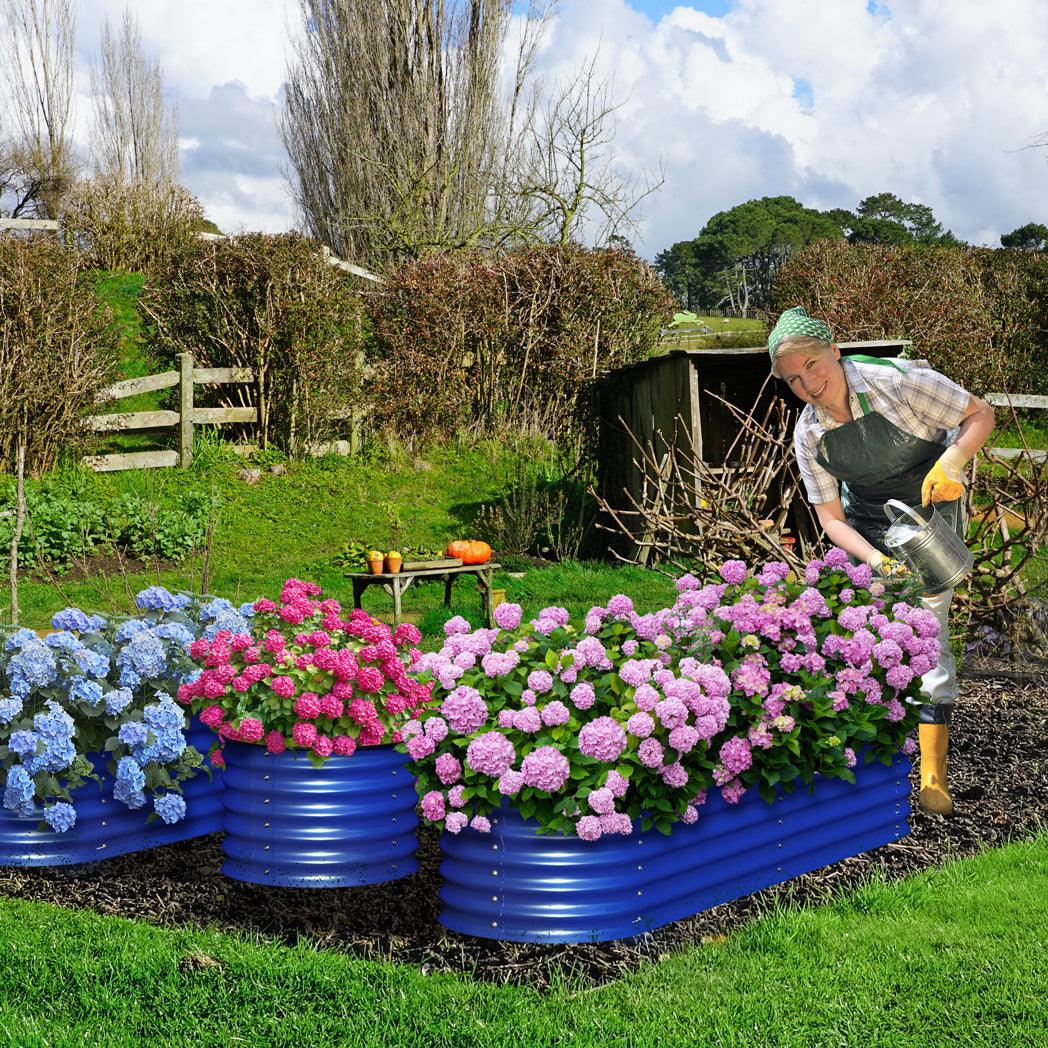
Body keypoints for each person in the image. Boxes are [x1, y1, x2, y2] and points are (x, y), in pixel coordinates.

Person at [768, 306, 995, 815]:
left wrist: (953, 461)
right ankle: (875, 758)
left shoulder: (896, 382)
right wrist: (875, 559)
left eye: (812, 365)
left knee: (926, 630)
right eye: (793, 379)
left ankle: (933, 778)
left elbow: (980, 413)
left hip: (933, 512)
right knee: (863, 639)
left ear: (834, 351)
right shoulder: (809, 434)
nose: (808, 383)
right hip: (867, 524)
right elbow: (830, 519)